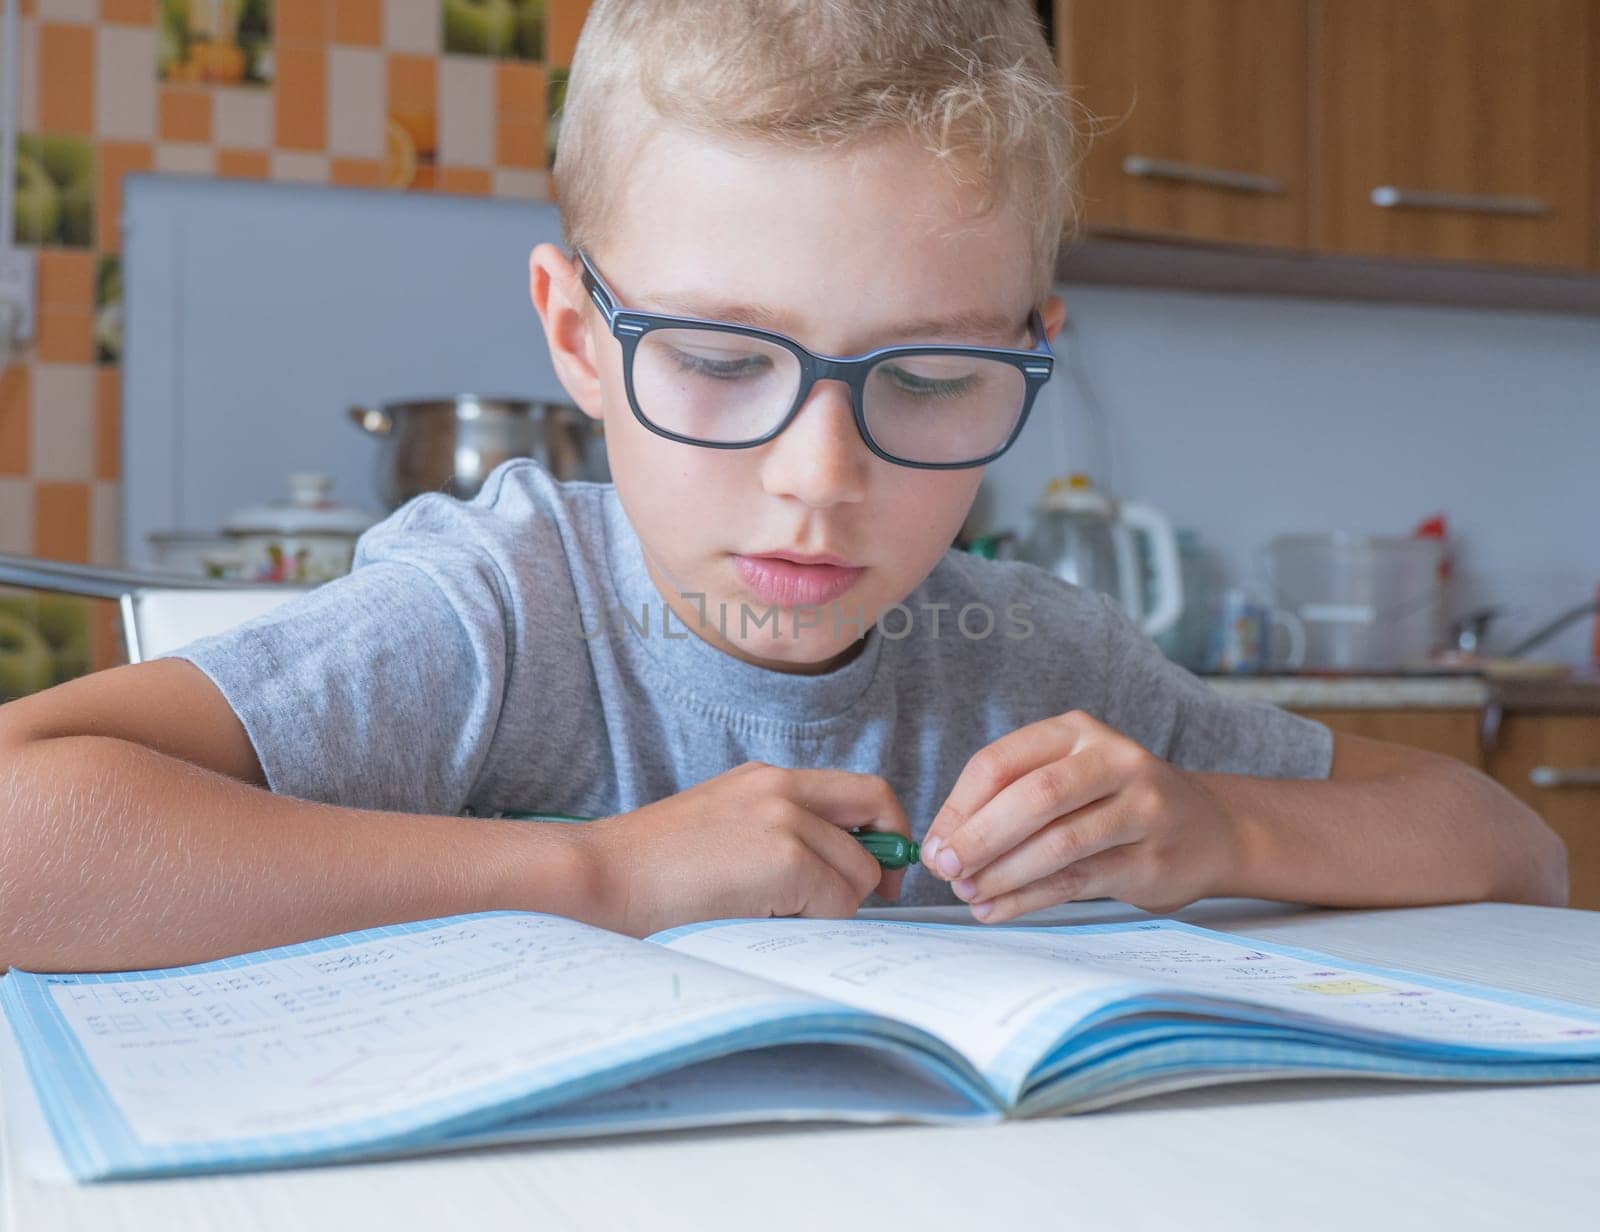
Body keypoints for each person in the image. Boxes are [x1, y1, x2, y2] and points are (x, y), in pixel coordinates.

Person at [0, 0, 1565, 973]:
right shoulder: (497, 618)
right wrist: (599, 873)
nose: (821, 483)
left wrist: (1221, 828)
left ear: (1033, 352)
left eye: (935, 378)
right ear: (579, 337)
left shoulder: (1032, 664)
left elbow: (1516, 851)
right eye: (721, 362)